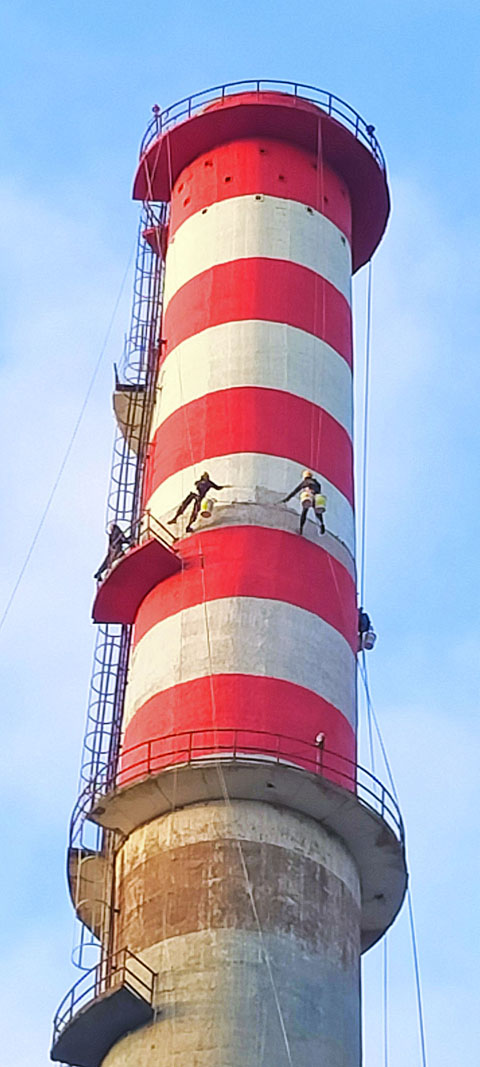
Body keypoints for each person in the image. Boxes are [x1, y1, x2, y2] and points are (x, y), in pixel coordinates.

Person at [281, 469, 325, 535]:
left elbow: (295, 491)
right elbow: (319, 490)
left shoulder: (305, 482)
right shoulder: (317, 483)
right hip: (317, 497)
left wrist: (287, 499)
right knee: (318, 513)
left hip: (309, 497)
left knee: (304, 513)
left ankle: (301, 529)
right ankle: (322, 525)